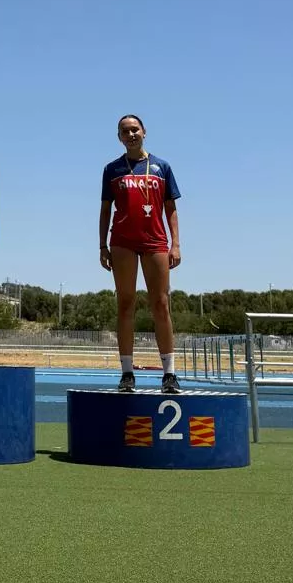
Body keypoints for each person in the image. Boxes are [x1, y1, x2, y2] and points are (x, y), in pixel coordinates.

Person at [99, 114, 182, 394]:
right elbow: (105, 209)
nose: (131, 134)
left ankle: (169, 374)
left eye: (135, 129)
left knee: (160, 304)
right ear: (119, 137)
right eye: (125, 131)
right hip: (122, 241)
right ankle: (127, 373)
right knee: (125, 303)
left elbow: (170, 208)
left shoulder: (162, 167)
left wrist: (176, 244)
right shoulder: (112, 169)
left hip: (155, 241)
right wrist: (102, 245)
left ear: (144, 131)